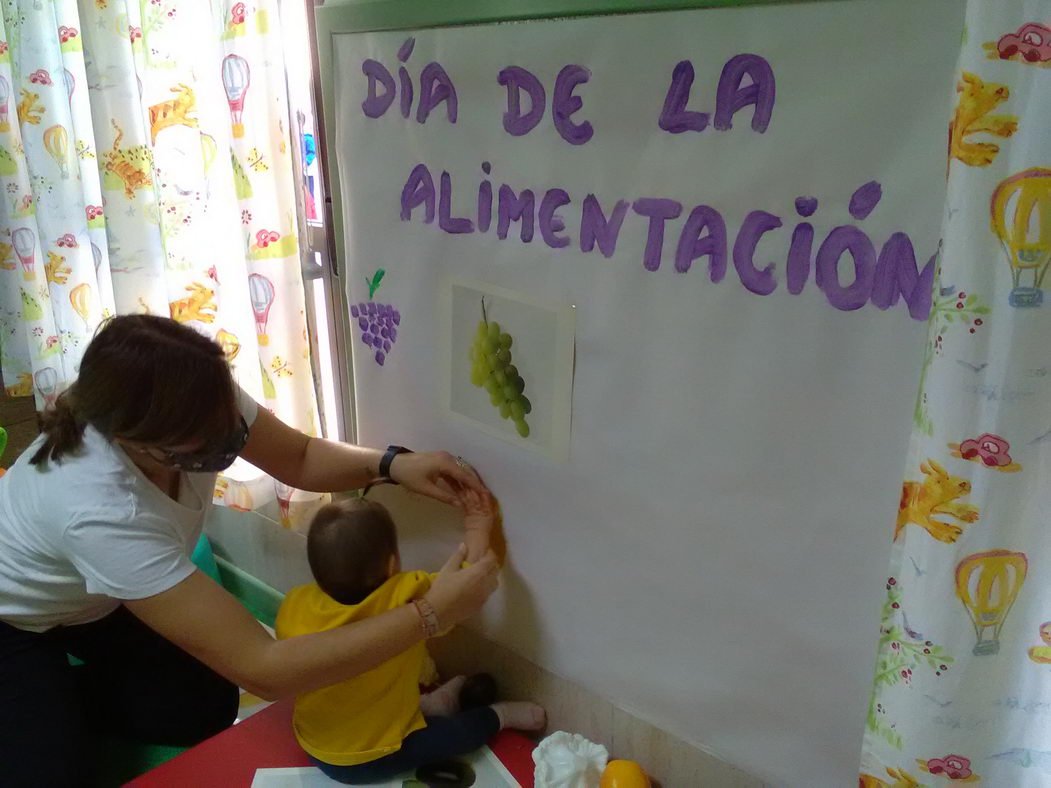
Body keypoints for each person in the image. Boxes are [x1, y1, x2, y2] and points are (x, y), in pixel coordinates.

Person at [0, 315, 499, 787]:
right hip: (15, 616)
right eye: (205, 446)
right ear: (138, 442)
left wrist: (393, 465)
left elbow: (300, 458)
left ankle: (53, 699)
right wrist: (431, 614)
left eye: (229, 429)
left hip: (95, 598)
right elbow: (264, 667)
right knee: (53, 776)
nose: (227, 440)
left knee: (208, 702)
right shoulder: (99, 509)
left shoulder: (195, 394)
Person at [276, 493, 545, 782]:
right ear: (393, 564)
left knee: (371, 696)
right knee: (453, 737)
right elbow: (468, 582)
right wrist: (478, 527)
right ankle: (498, 716)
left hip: (313, 742)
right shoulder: (406, 595)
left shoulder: (294, 604)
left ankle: (431, 706)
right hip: (366, 757)